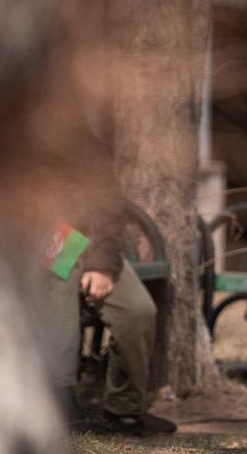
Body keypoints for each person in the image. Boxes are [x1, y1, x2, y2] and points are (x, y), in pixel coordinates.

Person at [41, 124, 177, 437]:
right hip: (32, 243)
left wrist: (101, 264)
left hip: (83, 242)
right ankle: (59, 395)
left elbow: (105, 202)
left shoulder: (77, 129)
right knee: (61, 276)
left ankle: (124, 409)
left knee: (137, 310)